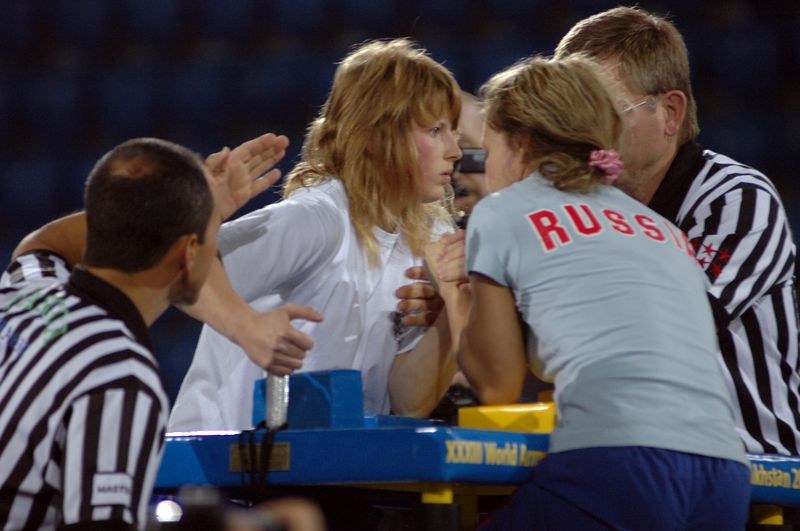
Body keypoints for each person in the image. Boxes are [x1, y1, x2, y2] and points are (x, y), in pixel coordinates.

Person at [456, 55, 750, 530]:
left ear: (522, 141)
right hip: (723, 473)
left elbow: (497, 384)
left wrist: (461, 292)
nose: (484, 166)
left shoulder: (503, 212)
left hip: (620, 462)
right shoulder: (663, 229)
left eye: (488, 148)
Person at [0, 135, 322, 530]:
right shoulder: (119, 376)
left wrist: (184, 208)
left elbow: (45, 240)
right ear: (189, 254)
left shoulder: (28, 288)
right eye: (212, 236)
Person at [169, 38, 468, 431]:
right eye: (435, 130)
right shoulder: (317, 219)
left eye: (453, 132)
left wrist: (450, 309)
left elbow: (409, 402)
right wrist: (245, 324)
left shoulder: (431, 237)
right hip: (224, 472)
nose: (455, 151)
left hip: (332, 472)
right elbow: (175, 269)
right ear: (376, 137)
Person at [554, 6, 799, 456]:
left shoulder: (736, 199)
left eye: (603, 111)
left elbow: (670, 332)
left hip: (754, 479)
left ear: (670, 112)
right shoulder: (572, 207)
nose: (580, 135)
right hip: (629, 461)